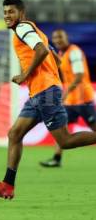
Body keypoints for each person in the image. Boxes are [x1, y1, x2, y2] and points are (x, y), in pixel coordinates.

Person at [0, 0, 96, 199]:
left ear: (21, 13)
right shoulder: (33, 30)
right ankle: (8, 185)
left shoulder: (22, 28)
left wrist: (25, 75)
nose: (7, 16)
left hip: (45, 91)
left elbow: (40, 50)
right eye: (5, 12)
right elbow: (51, 54)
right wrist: (50, 65)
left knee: (64, 141)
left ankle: (8, 184)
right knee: (14, 134)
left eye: (11, 12)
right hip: (38, 93)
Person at [39, 29, 96, 167]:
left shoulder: (74, 52)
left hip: (83, 99)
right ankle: (56, 158)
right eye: (55, 38)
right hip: (71, 101)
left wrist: (65, 93)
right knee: (61, 129)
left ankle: (56, 158)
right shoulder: (61, 54)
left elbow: (79, 75)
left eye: (60, 37)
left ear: (67, 38)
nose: (57, 40)